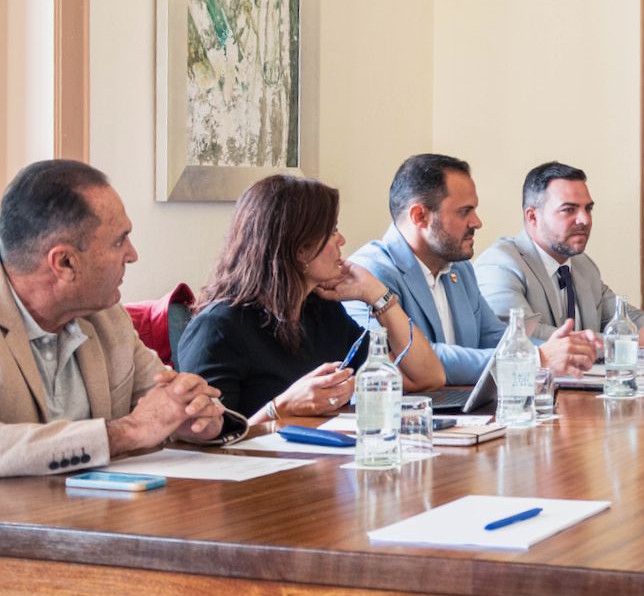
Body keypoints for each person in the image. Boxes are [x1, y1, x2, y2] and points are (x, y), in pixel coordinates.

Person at [0, 160, 242, 478]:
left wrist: (197, 419)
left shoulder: (106, 317)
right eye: (119, 240)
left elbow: (164, 398)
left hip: (100, 517)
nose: (132, 254)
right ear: (65, 261)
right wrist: (126, 432)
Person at [177, 175, 445, 423]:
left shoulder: (320, 310)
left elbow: (424, 377)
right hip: (258, 473)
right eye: (331, 231)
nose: (341, 240)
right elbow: (209, 442)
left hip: (315, 468)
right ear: (298, 249)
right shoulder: (219, 328)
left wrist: (376, 295)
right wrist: (280, 408)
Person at [349, 154, 596, 385]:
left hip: (470, 418)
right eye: (464, 211)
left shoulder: (460, 269)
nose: (477, 222)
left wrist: (564, 351)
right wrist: (537, 358)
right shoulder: (368, 275)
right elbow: (412, 360)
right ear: (420, 216)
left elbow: (495, 338)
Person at [475, 161, 644, 348]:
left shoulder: (582, 265)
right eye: (569, 210)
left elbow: (624, 317)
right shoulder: (500, 265)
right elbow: (521, 337)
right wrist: (630, 343)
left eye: (588, 209)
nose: (584, 220)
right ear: (533, 217)